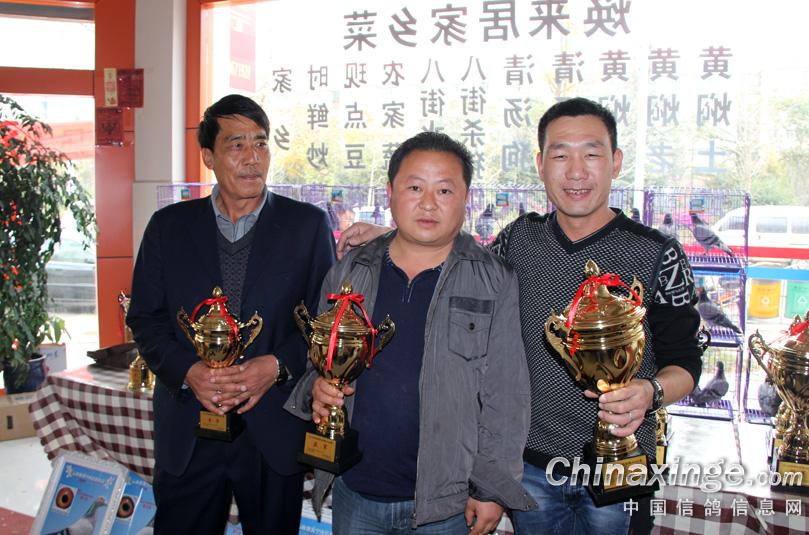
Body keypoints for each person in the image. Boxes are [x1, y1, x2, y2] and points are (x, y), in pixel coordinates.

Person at [337, 98, 703, 534]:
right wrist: (394, 235)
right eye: (560, 155)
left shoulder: (658, 253)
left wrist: (650, 391)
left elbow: (687, 363)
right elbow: (454, 256)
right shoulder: (519, 240)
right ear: (540, 165)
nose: (576, 172)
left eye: (591, 154)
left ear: (616, 162)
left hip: (621, 464)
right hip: (532, 469)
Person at [285, 131, 536, 534]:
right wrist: (316, 387)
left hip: (447, 504)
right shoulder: (350, 271)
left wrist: (492, 487)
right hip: (356, 489)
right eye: (415, 187)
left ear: (467, 198)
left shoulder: (493, 280)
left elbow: (506, 394)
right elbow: (318, 362)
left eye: (445, 190)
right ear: (390, 193)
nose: (428, 203)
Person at [127, 94, 335, 535]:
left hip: (272, 425)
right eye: (236, 145)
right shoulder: (168, 227)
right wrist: (189, 371)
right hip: (189, 423)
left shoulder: (306, 226)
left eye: (260, 144)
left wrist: (275, 366)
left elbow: (324, 323)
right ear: (208, 156)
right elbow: (145, 318)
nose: (252, 158)